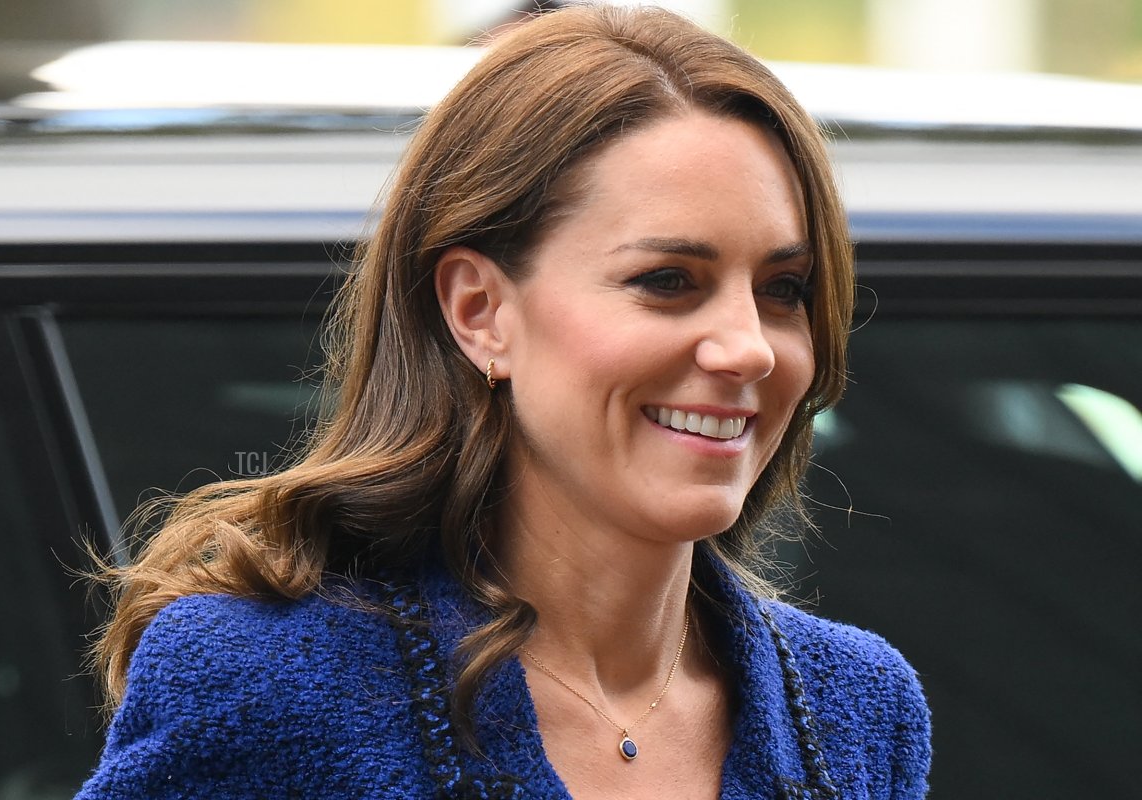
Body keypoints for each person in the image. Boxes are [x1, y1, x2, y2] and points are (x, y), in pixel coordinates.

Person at [76, 5, 931, 799]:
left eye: (785, 289)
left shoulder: (857, 708)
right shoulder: (262, 684)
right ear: (480, 312)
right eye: (667, 282)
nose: (748, 345)